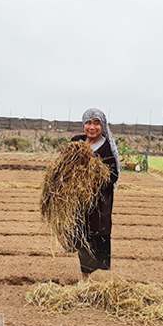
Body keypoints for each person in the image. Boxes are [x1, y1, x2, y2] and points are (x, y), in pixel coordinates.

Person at [70, 108, 121, 283]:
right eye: (89, 123)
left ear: (103, 125)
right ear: (83, 124)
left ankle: (86, 277)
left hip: (99, 203)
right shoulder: (76, 142)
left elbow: (113, 175)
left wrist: (93, 176)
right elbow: (64, 167)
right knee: (80, 235)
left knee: (94, 236)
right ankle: (85, 276)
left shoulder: (106, 147)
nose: (92, 127)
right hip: (78, 201)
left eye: (97, 123)